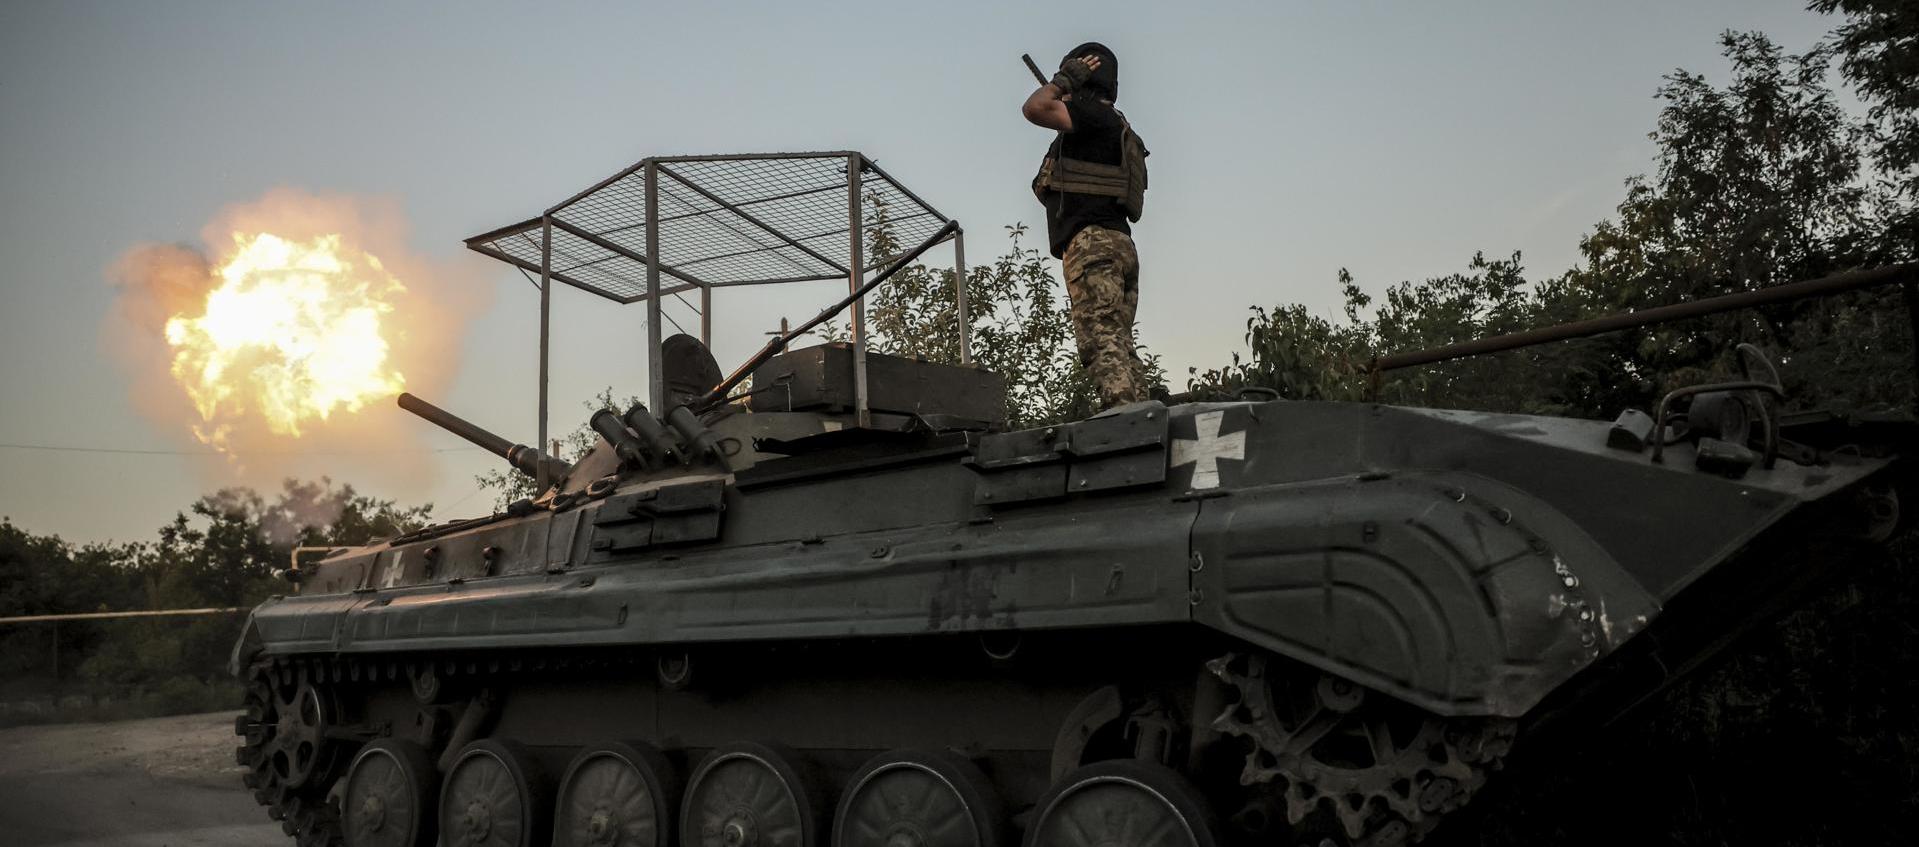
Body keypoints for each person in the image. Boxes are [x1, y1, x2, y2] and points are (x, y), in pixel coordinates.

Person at [1022, 42, 1150, 410]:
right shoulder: (1114, 126)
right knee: (1118, 340)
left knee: (1100, 338)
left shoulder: (1093, 117)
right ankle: (1142, 412)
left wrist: (1062, 81)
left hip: (1092, 244)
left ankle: (1124, 417)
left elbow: (1035, 108)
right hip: (1118, 245)